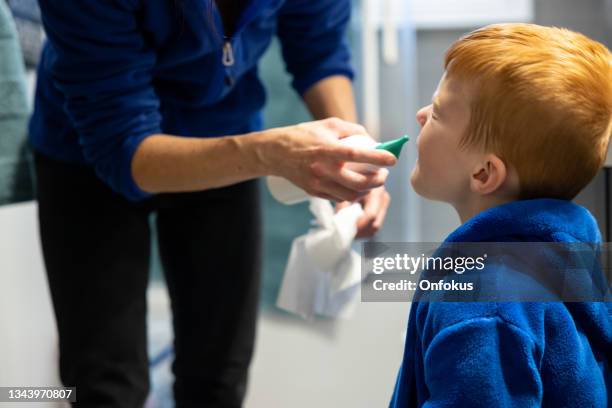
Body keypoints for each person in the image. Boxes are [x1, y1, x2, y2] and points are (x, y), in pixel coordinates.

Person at [29, 1, 396, 406]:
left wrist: (353, 153)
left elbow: (320, 47)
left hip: (222, 123)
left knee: (218, 380)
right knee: (105, 384)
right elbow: (124, 146)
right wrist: (268, 153)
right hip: (89, 148)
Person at [391, 23, 611, 407]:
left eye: (439, 113)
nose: (421, 114)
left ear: (483, 173)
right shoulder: (565, 259)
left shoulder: (483, 308)